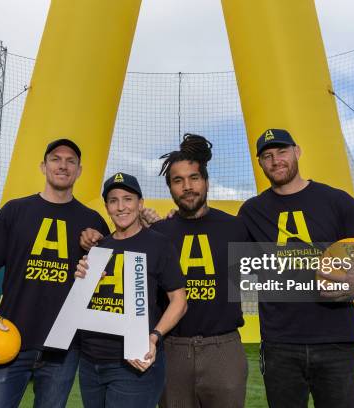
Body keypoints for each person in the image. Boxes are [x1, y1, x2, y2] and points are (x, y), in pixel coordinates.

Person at [80, 135, 249, 407]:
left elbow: (266, 275)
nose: (187, 187)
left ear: (205, 181)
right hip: (171, 347)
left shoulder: (236, 227)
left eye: (194, 178)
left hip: (224, 348)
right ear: (169, 187)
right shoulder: (158, 232)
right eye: (178, 181)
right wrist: (92, 245)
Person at [237, 128, 354, 408]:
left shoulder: (336, 200)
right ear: (260, 163)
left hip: (337, 342)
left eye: (282, 151)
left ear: (297, 152)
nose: (275, 160)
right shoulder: (251, 211)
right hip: (279, 344)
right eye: (267, 156)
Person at [0, 138, 109, 408]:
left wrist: (99, 248)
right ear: (43, 166)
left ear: (79, 171)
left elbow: (108, 279)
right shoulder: (15, 210)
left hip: (64, 348)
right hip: (8, 337)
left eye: (70, 161)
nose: (63, 165)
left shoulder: (94, 222)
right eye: (55, 158)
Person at [75, 172, 187, 408]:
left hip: (133, 362)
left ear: (140, 204)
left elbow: (179, 300)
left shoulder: (158, 243)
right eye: (113, 200)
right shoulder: (98, 247)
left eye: (128, 199)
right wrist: (81, 281)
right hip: (89, 361)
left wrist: (154, 338)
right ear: (107, 207)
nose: (121, 207)